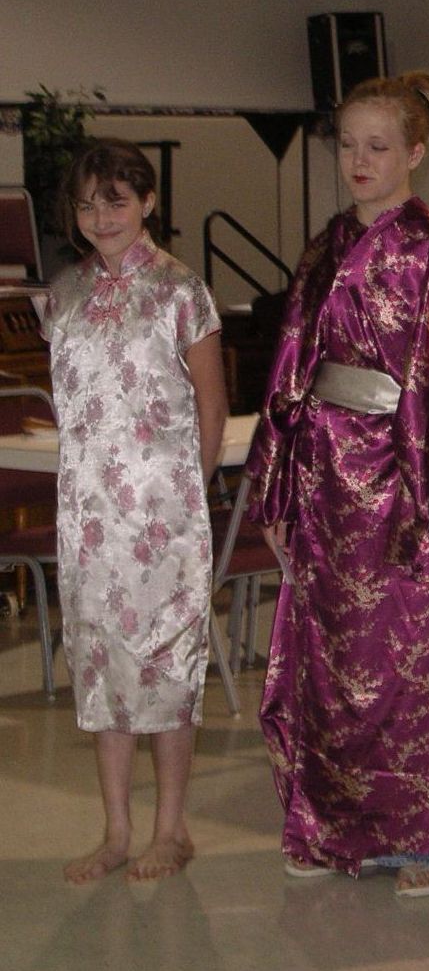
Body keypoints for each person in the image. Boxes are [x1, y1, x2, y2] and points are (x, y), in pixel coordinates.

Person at [245, 70, 429, 898]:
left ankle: (421, 840)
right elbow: (289, 367)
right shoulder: (325, 246)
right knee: (329, 660)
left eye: (378, 146)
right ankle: (331, 826)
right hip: (324, 480)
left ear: (415, 151)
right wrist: (277, 482)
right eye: (347, 145)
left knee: (409, 659)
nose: (359, 161)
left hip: (408, 484)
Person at [44, 138, 227, 883]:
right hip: (88, 516)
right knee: (101, 670)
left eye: (115, 201)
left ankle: (170, 829)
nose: (101, 217)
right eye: (87, 204)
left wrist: (189, 500)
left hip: (164, 517)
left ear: (147, 202)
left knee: (166, 668)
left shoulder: (182, 290)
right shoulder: (64, 292)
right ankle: (116, 830)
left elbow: (211, 407)